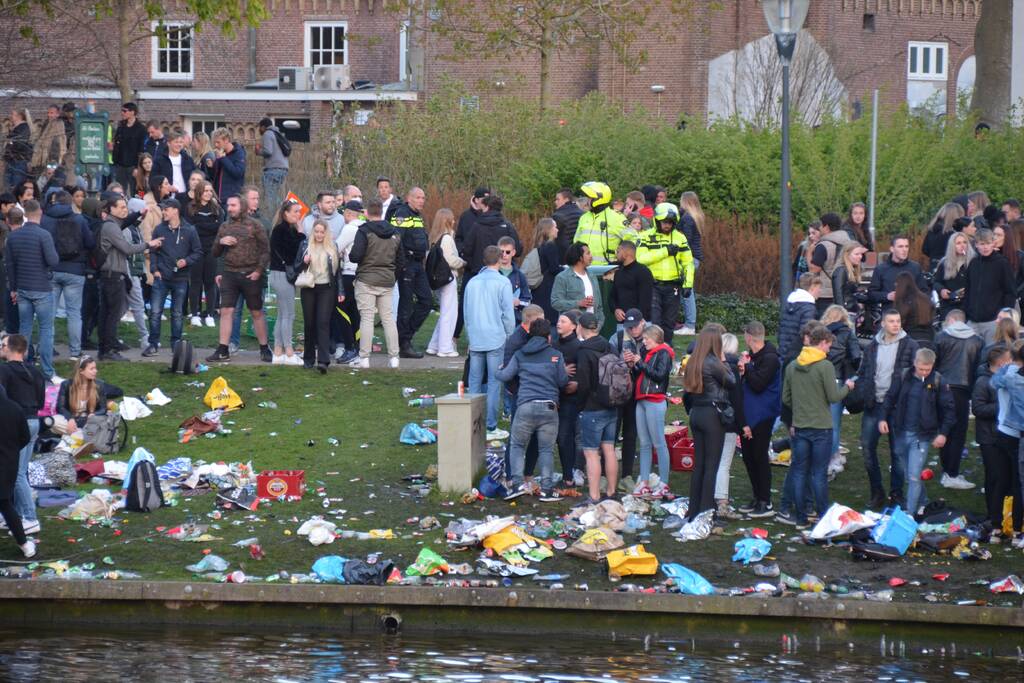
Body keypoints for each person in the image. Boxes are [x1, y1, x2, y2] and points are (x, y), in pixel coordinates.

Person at [778, 325, 853, 528]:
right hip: (821, 428)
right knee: (818, 474)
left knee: (800, 471)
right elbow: (833, 396)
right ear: (821, 343)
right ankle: (822, 516)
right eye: (828, 345)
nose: (829, 350)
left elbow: (785, 397)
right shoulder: (825, 366)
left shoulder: (793, 365)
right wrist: (848, 387)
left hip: (800, 427)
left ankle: (801, 518)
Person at [496, 317, 568, 502]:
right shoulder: (556, 355)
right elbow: (562, 382)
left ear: (530, 334)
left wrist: (498, 370)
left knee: (518, 445)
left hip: (525, 406)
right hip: (549, 408)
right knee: (546, 449)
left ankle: (517, 484)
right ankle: (546, 489)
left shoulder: (520, 354)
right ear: (548, 337)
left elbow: (505, 375)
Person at [879, 348, 955, 514]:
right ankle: (923, 501)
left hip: (923, 436)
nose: (924, 372)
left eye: (927, 369)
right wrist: (882, 418)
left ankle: (909, 514)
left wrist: (943, 433)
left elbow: (949, 409)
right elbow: (890, 397)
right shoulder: (903, 376)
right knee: (909, 475)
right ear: (915, 363)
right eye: (921, 369)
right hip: (901, 432)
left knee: (913, 476)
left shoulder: (937, 380)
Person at [857, 308, 919, 510]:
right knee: (867, 449)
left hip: (897, 408)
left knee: (898, 453)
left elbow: (915, 377)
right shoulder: (872, 346)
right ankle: (877, 492)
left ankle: (896, 494)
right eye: (891, 321)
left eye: (898, 320)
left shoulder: (910, 345)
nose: (896, 324)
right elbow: (864, 371)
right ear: (882, 323)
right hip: (874, 405)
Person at [206, 195, 271, 363]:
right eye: (228, 205)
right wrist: (221, 242)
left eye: (233, 205)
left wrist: (258, 270)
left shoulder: (255, 226)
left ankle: (264, 348)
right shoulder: (224, 226)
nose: (229, 208)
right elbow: (214, 252)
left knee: (256, 312)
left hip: (251, 274)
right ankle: (223, 349)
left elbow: (265, 251)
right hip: (229, 274)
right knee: (226, 311)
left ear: (241, 206)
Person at [97, 196, 161, 361]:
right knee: (112, 314)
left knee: (106, 314)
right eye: (121, 207)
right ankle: (109, 350)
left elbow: (125, 223)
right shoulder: (111, 227)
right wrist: (149, 244)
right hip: (112, 276)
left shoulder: (113, 225)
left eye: (126, 207)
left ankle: (104, 349)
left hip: (109, 275)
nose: (125, 210)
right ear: (111, 209)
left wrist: (138, 214)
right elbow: (126, 248)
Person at [682, 326, 735, 521]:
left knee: (700, 464)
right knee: (711, 464)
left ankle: (694, 508)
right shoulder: (714, 362)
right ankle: (706, 510)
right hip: (712, 415)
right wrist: (723, 359)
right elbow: (731, 381)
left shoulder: (693, 361)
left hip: (697, 413)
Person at [4, 200, 60, 383]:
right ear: (40, 212)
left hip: (22, 288)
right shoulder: (44, 235)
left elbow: (10, 266)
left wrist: (13, 289)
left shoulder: (13, 237)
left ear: (25, 214)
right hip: (42, 288)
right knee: (46, 330)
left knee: (24, 329)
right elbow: (53, 260)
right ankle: (47, 371)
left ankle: (23, 367)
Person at [465, 245, 515, 434]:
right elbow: (508, 315)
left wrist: (470, 336)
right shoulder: (503, 283)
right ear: (500, 258)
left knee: (475, 380)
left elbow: (466, 313)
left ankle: (472, 422)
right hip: (496, 337)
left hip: (476, 336)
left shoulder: (472, 283)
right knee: (495, 382)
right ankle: (491, 425)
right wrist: (509, 335)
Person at [932, 309, 984, 489]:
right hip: (962, 390)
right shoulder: (977, 341)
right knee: (958, 433)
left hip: (943, 388)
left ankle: (947, 470)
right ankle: (951, 473)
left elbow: (935, 364)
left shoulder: (941, 337)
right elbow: (977, 367)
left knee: (945, 429)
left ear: (952, 320)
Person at [348, 198, 403, 368]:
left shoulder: (364, 231)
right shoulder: (395, 232)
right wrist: (393, 276)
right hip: (387, 280)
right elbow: (401, 261)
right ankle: (394, 358)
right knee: (388, 318)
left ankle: (364, 358)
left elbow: (355, 256)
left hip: (367, 279)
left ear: (367, 213)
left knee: (367, 318)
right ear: (381, 212)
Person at [143, 198, 201, 357]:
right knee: (155, 312)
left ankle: (176, 344)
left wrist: (186, 261)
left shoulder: (189, 230)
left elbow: (197, 251)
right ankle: (153, 344)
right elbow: (153, 251)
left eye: (166, 210)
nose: (163, 212)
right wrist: (154, 269)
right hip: (161, 277)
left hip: (181, 278)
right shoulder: (159, 229)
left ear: (175, 210)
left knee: (177, 313)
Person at [0, 333, 45, 537]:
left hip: (16, 423)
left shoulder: (4, 371)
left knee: (15, 472)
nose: (1, 348)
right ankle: (14, 513)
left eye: (3, 345)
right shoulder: (35, 372)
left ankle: (29, 517)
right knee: (20, 470)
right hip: (34, 421)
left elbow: (4, 400)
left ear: (11, 348)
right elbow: (42, 400)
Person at [41, 190, 94, 361]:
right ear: (70, 202)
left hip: (52, 270)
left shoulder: (45, 219)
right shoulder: (79, 219)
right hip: (75, 271)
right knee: (74, 313)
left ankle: (47, 349)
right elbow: (90, 243)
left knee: (49, 313)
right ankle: (75, 352)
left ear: (55, 201)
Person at [737, 321, 781, 518]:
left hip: (763, 414)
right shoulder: (754, 357)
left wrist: (747, 368)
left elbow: (758, 384)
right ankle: (757, 497)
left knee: (759, 456)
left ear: (749, 337)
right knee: (748, 456)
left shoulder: (770, 358)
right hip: (750, 414)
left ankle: (765, 500)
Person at [973, 345, 1017, 538]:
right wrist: (1002, 407)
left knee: (1005, 478)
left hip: (1002, 437)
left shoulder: (1007, 380)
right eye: (1010, 360)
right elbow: (978, 408)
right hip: (989, 437)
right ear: (1001, 363)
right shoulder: (984, 382)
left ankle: (1003, 515)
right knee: (995, 477)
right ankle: (993, 516)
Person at [626, 324, 674, 498]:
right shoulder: (649, 353)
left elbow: (659, 375)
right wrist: (634, 364)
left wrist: (640, 362)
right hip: (642, 400)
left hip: (655, 401)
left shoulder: (664, 353)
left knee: (659, 443)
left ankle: (664, 483)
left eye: (646, 339)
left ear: (655, 338)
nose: (644, 342)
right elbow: (644, 374)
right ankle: (644, 481)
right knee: (644, 443)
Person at [575, 311, 619, 504]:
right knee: (609, 449)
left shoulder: (584, 351)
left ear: (580, 327)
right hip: (613, 404)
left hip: (593, 408)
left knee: (591, 452)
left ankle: (594, 496)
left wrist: (580, 402)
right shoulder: (609, 346)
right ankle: (611, 492)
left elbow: (583, 383)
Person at [294, 219, 345, 374]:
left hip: (327, 289)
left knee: (323, 323)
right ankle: (308, 358)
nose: (319, 235)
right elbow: (296, 267)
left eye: (322, 232)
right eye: (316, 231)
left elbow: (338, 274)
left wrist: (341, 291)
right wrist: (304, 262)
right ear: (312, 232)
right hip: (309, 287)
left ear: (326, 233)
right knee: (309, 324)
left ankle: (323, 361)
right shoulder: (304, 245)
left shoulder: (333, 247)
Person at [391, 187, 432, 358]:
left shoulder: (417, 216)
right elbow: (396, 241)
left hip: (417, 264)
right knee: (405, 306)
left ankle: (406, 335)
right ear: (409, 198)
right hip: (407, 265)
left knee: (426, 301)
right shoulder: (402, 213)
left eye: (423, 198)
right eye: (418, 197)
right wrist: (403, 263)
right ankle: (403, 344)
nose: (421, 201)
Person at [991, 341, 1024, 547]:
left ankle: (996, 527)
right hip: (1016, 433)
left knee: (1000, 481)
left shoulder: (1002, 374)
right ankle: (1017, 531)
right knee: (1018, 484)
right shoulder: (1016, 377)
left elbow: (992, 384)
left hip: (1002, 430)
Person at [609, 309, 647, 482]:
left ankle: (627, 475)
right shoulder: (616, 338)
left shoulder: (651, 338)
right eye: (629, 327)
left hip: (638, 394)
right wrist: (623, 363)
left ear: (643, 323)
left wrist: (639, 362)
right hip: (618, 393)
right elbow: (607, 365)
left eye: (635, 326)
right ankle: (604, 475)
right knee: (611, 434)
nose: (632, 330)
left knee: (631, 435)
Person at [821, 304, 861, 469]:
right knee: (834, 424)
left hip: (821, 379)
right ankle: (832, 458)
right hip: (839, 379)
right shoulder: (847, 334)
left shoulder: (821, 333)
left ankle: (829, 455)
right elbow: (856, 357)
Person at [269, 198, 306, 365]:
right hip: (282, 275)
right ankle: (289, 352)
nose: (298, 215)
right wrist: (301, 232)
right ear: (286, 213)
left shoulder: (282, 229)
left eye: (299, 211)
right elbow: (293, 252)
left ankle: (278, 351)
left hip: (279, 275)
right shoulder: (282, 230)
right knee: (288, 315)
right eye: (295, 212)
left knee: (282, 314)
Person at [963, 228, 1017, 344]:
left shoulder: (1002, 263)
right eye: (982, 244)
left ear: (993, 243)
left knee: (992, 355)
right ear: (976, 244)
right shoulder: (973, 263)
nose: (985, 247)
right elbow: (968, 290)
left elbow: (1010, 291)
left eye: (988, 243)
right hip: (972, 320)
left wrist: (1004, 313)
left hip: (993, 320)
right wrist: (967, 312)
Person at [425, 208, 464, 357]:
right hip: (448, 278)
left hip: (438, 279)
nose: (454, 221)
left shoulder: (434, 236)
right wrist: (463, 262)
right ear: (447, 220)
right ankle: (445, 348)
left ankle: (434, 345)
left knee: (444, 313)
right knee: (450, 313)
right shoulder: (447, 238)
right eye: (452, 219)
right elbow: (450, 260)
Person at [0, 383, 33, 558]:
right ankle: (24, 544)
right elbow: (25, 437)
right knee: (5, 504)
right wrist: (12, 451)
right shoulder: (15, 408)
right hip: (8, 463)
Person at [552, 310, 582, 488]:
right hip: (553, 396)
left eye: (563, 321)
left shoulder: (578, 346)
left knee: (565, 436)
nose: (558, 324)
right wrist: (560, 369)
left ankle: (568, 475)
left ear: (573, 326)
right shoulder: (553, 345)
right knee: (558, 437)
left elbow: (585, 370)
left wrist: (577, 382)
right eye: (558, 320)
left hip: (571, 398)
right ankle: (566, 473)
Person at [332, 199, 364, 364]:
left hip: (348, 274)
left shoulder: (350, 228)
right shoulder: (364, 227)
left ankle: (350, 348)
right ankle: (358, 347)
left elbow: (335, 249)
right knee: (355, 312)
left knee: (341, 310)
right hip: (361, 275)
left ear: (349, 213)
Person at [187, 180, 221, 328]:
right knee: (195, 282)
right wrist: (208, 226)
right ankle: (194, 314)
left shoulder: (217, 208)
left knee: (210, 282)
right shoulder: (191, 208)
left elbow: (219, 227)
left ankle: (209, 314)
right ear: (199, 192)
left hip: (211, 249)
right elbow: (192, 229)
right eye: (205, 190)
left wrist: (202, 225)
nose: (208, 193)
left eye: (210, 190)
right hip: (196, 249)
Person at [462, 194, 522, 277]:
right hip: (503, 274)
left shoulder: (476, 226)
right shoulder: (508, 226)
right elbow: (518, 250)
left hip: (480, 273)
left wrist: (475, 267)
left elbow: (466, 251)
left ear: (487, 207)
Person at [575, 181, 633, 266]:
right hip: (584, 269)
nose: (586, 201)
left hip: (607, 271)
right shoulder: (584, 217)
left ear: (598, 199)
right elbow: (576, 242)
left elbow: (634, 240)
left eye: (589, 198)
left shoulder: (617, 218)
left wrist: (622, 259)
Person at [808, 212, 852, 315]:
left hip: (825, 294)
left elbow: (813, 269)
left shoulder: (823, 245)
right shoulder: (848, 243)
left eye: (821, 226)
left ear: (826, 227)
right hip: (843, 290)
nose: (820, 228)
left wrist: (809, 252)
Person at [868, 235, 927, 306]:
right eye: (900, 246)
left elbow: (924, 291)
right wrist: (887, 296)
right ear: (892, 249)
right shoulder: (881, 269)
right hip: (890, 312)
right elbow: (871, 294)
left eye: (906, 246)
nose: (904, 249)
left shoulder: (915, 267)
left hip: (911, 312)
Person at [522, 217, 561, 323]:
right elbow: (554, 269)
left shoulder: (538, 246)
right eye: (555, 227)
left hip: (538, 288)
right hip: (548, 288)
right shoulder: (550, 246)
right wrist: (565, 269)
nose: (557, 230)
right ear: (549, 230)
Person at [777, 273, 821, 365]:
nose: (820, 291)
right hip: (798, 355)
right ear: (812, 287)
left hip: (784, 350)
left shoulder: (789, 304)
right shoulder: (809, 308)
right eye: (818, 288)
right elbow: (806, 334)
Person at [678, 191, 705, 335]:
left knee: (687, 292)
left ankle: (689, 325)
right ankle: (689, 324)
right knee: (688, 291)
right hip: (695, 257)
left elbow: (685, 240)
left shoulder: (687, 218)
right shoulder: (697, 217)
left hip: (689, 258)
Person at [932, 231, 974, 320]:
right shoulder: (944, 263)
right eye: (958, 243)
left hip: (969, 306)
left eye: (964, 242)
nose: (962, 245)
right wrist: (941, 290)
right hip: (949, 306)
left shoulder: (974, 262)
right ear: (952, 246)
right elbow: (936, 282)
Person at [893, 271, 935, 350]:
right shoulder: (925, 299)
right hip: (928, 339)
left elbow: (899, 322)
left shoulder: (903, 301)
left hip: (909, 339)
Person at [256, 118, 289, 211]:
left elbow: (268, 151)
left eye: (259, 127)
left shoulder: (267, 134)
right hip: (283, 169)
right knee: (275, 195)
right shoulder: (278, 134)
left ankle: (273, 216)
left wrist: (258, 151)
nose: (259, 130)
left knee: (269, 195)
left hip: (273, 169)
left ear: (263, 127)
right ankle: (282, 212)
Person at [922, 202, 966, 270]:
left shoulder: (932, 231)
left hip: (933, 265)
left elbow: (925, 249)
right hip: (948, 267)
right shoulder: (952, 234)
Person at [497, 235, 531, 323]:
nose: (504, 255)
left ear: (513, 252)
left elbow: (527, 301)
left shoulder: (520, 276)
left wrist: (518, 302)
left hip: (514, 320)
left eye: (507, 252)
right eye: (501, 252)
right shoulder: (491, 272)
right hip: (494, 319)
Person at [152, 130, 195, 195]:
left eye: (181, 142)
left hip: (186, 195)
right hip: (168, 196)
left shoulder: (188, 159)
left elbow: (195, 175)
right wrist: (166, 187)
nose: (179, 144)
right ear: (168, 143)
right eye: (176, 142)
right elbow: (153, 179)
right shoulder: (159, 160)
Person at [30, 105, 67, 177]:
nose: (49, 115)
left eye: (52, 113)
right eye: (48, 113)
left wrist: (52, 164)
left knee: (46, 180)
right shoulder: (46, 123)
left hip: (50, 160)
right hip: (41, 159)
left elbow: (58, 144)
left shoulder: (58, 124)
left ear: (57, 114)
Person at [831, 241, 867, 315]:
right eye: (856, 254)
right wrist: (842, 315)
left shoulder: (851, 270)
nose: (860, 256)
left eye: (861, 254)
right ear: (847, 255)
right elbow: (838, 295)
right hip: (845, 313)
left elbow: (850, 294)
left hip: (852, 311)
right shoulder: (841, 271)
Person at [211, 128, 246, 203]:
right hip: (218, 198)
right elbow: (215, 175)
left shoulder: (239, 153)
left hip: (231, 199)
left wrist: (223, 159)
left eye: (218, 142)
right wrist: (211, 166)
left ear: (226, 140)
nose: (216, 145)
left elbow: (238, 173)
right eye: (215, 142)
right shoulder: (221, 153)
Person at [3, 108, 33, 192]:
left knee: (16, 187)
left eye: (12, 114)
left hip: (19, 161)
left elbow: (18, 144)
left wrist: (10, 143)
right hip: (11, 160)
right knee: (8, 185)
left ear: (19, 116)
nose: (10, 116)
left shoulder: (23, 128)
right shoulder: (15, 128)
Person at [552, 188, 582, 258]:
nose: (555, 202)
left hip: (563, 255)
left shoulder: (557, 216)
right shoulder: (582, 214)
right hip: (579, 254)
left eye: (558, 199)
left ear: (566, 199)